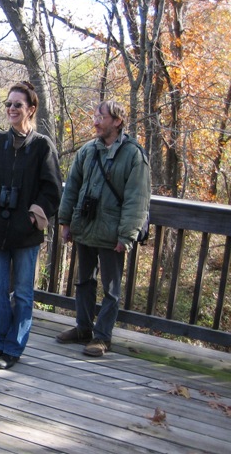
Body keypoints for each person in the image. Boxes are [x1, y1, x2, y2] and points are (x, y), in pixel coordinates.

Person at [0, 81, 62, 369]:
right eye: (9, 104)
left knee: (23, 293)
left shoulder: (41, 146)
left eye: (18, 105)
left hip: (25, 232)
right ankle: (0, 342)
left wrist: (31, 217)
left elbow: (52, 190)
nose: (12, 109)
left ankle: (14, 348)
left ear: (31, 109)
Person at [56, 100, 151, 357]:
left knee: (111, 290)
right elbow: (72, 188)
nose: (96, 121)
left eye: (102, 116)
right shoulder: (88, 151)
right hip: (85, 228)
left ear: (117, 121)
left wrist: (127, 236)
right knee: (83, 282)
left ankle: (102, 337)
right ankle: (83, 329)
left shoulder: (134, 155)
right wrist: (66, 222)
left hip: (112, 234)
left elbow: (137, 201)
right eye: (95, 115)